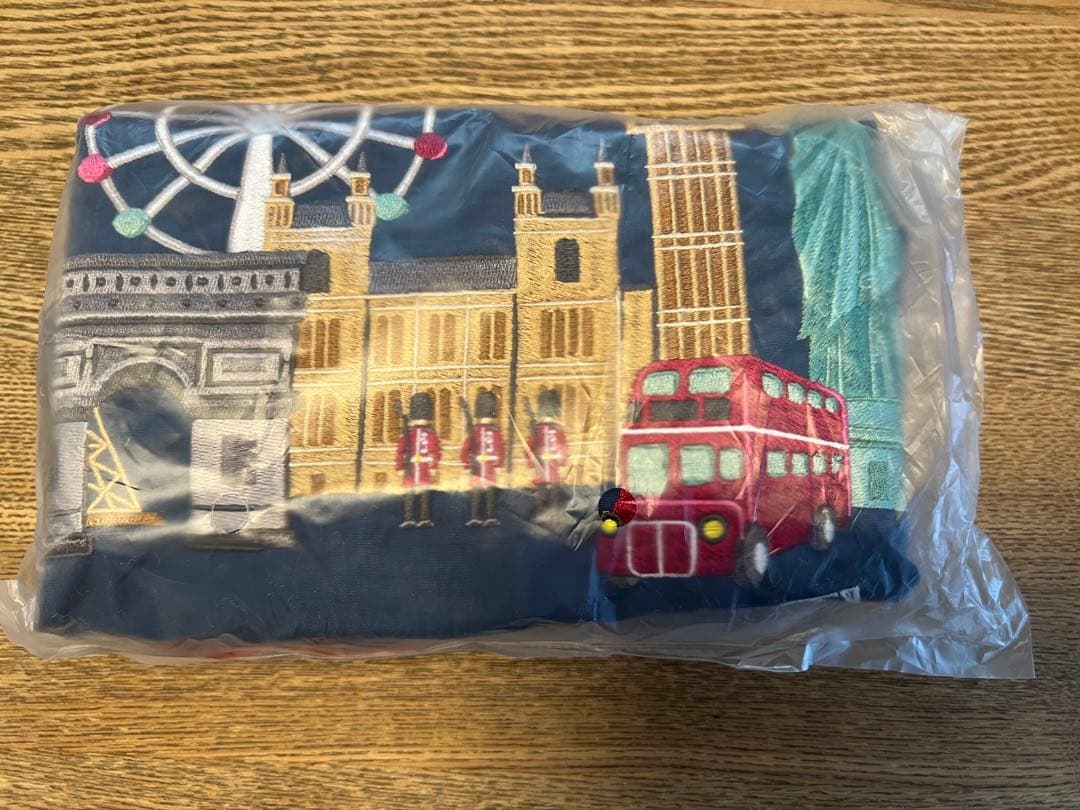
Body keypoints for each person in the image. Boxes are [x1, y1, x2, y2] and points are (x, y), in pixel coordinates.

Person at [395, 392, 440, 528]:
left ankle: (424, 519)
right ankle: (408, 518)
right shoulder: (408, 433)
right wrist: (400, 467)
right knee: (409, 495)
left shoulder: (431, 434)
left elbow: (435, 451)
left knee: (424, 496)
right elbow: (400, 451)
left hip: (424, 470)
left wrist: (433, 466)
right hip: (411, 469)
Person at [461, 390, 504, 527]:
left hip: (482, 468)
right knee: (483, 494)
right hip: (484, 468)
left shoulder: (476, 431)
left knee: (480, 494)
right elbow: (500, 449)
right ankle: (483, 516)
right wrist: (499, 464)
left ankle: (481, 516)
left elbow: (465, 449)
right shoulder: (495, 432)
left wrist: (466, 464)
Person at [528, 388, 569, 509]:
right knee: (555, 505)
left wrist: (532, 462)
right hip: (554, 475)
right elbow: (564, 451)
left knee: (540, 505)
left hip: (540, 475)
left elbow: (530, 449)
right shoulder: (559, 430)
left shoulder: (537, 429)